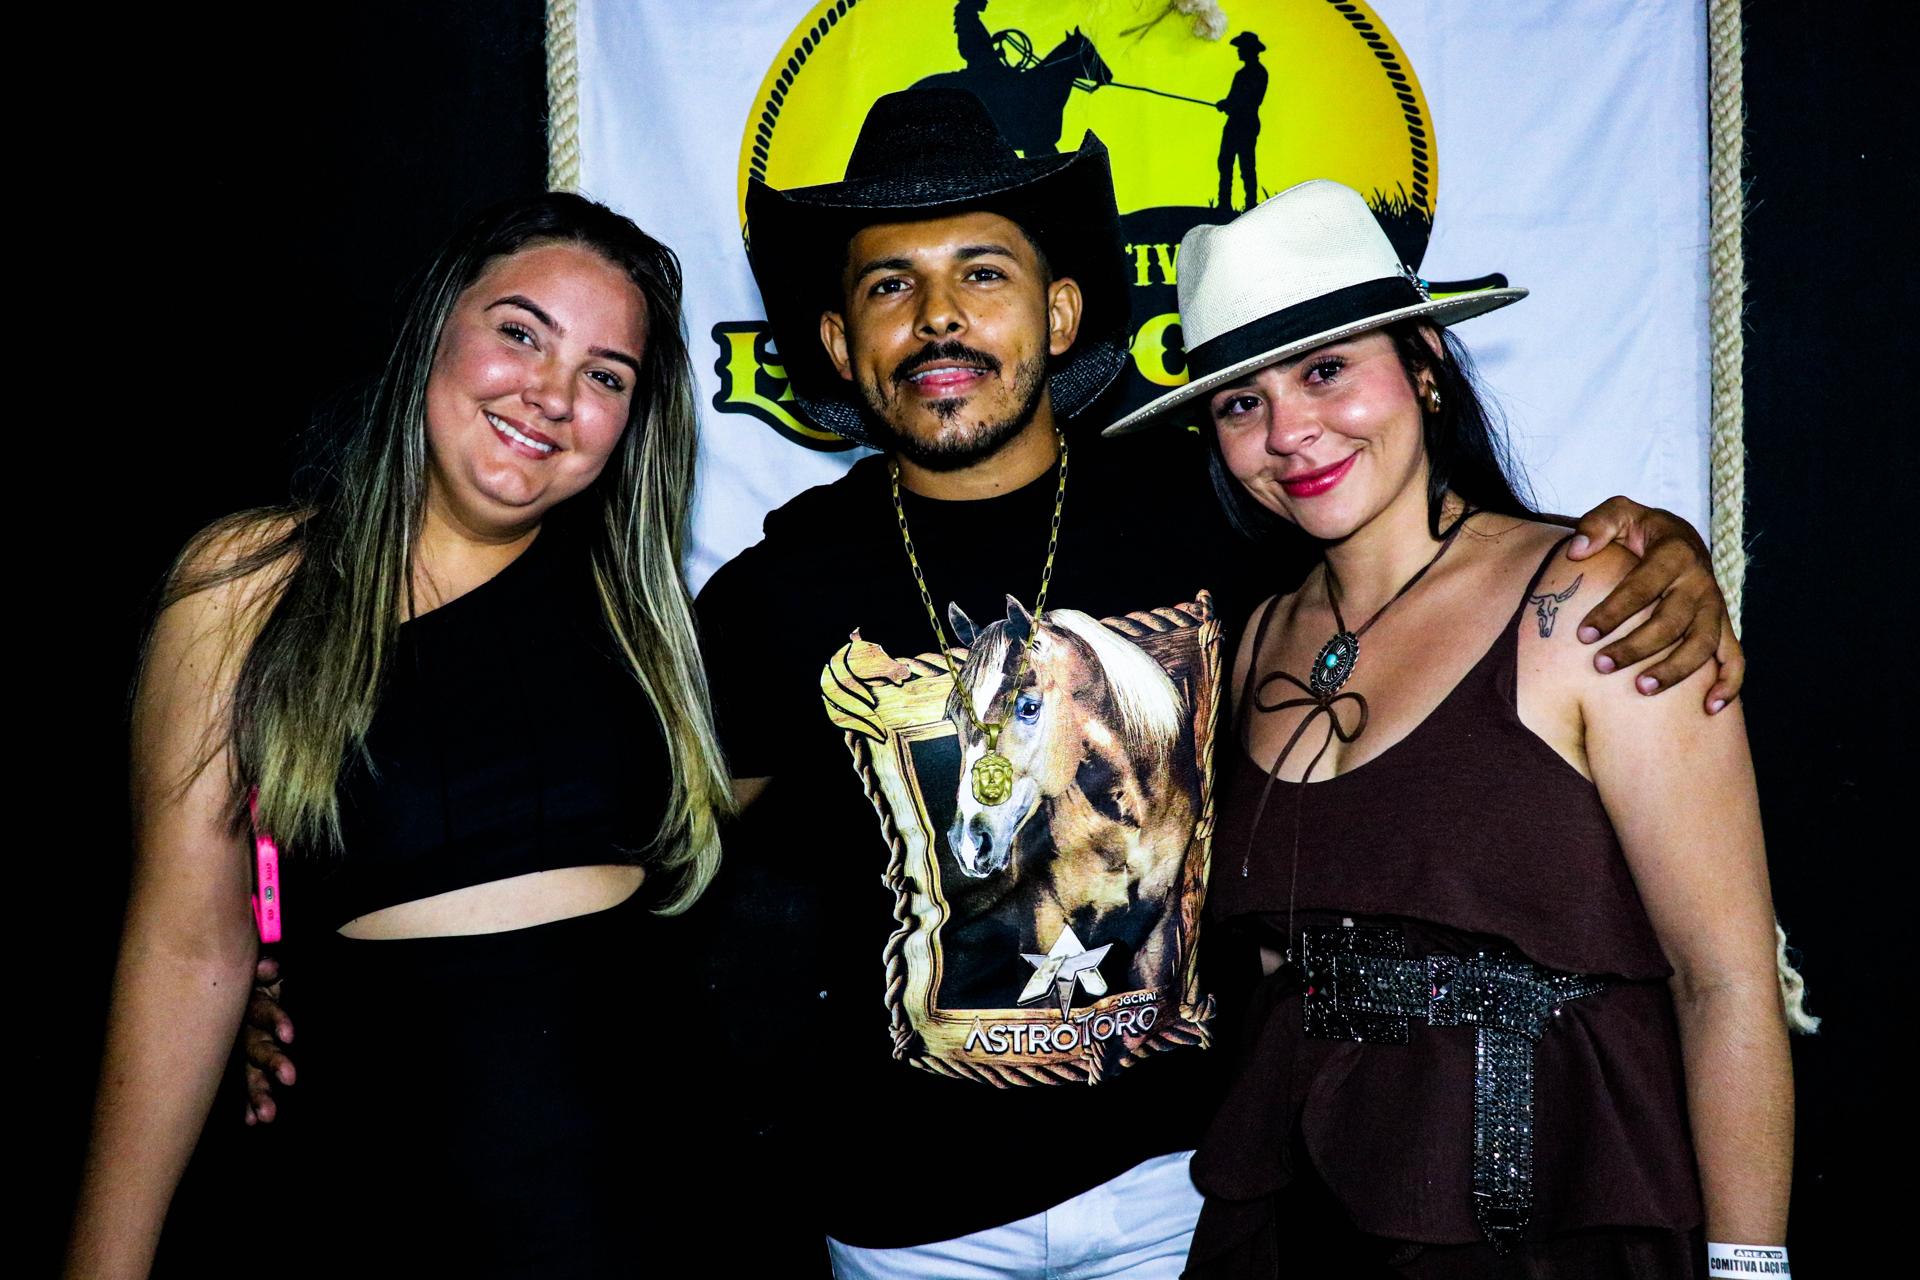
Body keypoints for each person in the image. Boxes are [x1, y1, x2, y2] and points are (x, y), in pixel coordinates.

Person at [238, 92, 1743, 1277]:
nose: (939, 317)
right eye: (890, 287)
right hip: (904, 1225)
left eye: (982, 274)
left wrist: (1646, 546)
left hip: (1193, 1192)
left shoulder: (1218, 505)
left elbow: (1420, 579)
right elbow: (595, 838)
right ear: (839, 345)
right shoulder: (769, 593)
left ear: (1063, 315)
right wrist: (284, 961)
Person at [1102, 180, 1809, 1277]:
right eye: (1241, 402)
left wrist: (1749, 1270)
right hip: (1303, 1228)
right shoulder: (1250, 643)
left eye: (1325, 370)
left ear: (1425, 366)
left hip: (1555, 1226)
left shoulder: (1592, 601)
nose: (1289, 432)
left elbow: (1725, 985)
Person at [66, 192, 732, 1279]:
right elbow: (186, 950)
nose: (553, 394)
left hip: (651, 1209)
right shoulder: (249, 589)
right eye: (521, 332)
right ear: (436, 328)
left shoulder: (646, 625)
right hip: (382, 1205)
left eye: (606, 375)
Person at [1216, 32, 1268, 214]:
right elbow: (1233, 98)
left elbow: (1250, 99)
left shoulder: (1259, 73)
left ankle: (1251, 204)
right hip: (1235, 123)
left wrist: (1228, 105)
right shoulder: (1241, 74)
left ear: (1249, 50)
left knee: (1246, 165)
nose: (1238, 51)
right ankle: (1224, 204)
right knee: (1225, 162)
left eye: (1241, 48)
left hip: (1246, 123)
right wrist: (1226, 104)